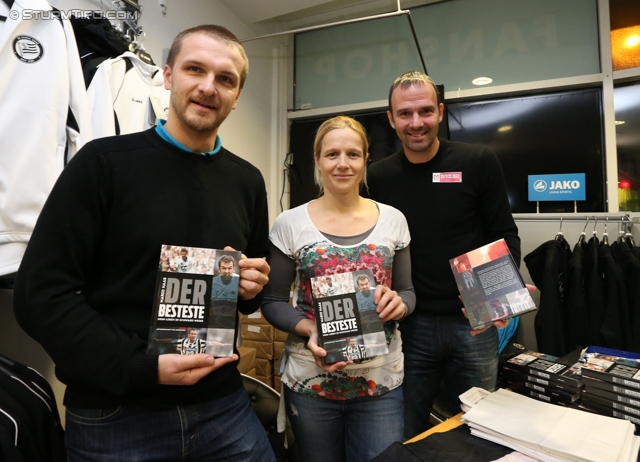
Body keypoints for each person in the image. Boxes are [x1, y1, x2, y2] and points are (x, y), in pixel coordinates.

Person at [13, 25, 275, 462]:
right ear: (168, 76)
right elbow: (39, 296)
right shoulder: (102, 165)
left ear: (237, 94)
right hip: (117, 413)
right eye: (195, 69)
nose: (209, 87)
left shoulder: (247, 181)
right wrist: (141, 366)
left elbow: (249, 295)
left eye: (225, 79)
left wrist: (253, 285)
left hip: (223, 405)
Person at [367, 71, 521, 438]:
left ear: (440, 111)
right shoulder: (378, 176)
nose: (416, 123)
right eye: (405, 114)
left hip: (473, 324)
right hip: (410, 325)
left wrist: (501, 299)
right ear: (391, 119)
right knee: (407, 431)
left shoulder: (478, 161)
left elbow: (504, 234)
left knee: (476, 428)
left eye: (425, 112)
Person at [261, 115, 416, 462]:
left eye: (353, 154)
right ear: (317, 159)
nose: (343, 164)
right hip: (311, 381)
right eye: (332, 154)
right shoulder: (290, 223)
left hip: (380, 381)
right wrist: (310, 329)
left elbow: (408, 293)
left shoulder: (394, 220)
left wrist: (399, 304)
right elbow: (271, 301)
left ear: (366, 159)